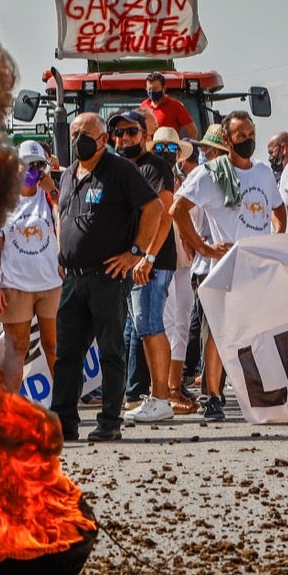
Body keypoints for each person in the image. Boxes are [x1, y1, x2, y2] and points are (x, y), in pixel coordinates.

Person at [50, 112, 163, 443]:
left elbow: (154, 208)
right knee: (67, 353)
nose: (77, 140)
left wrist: (136, 252)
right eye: (74, 133)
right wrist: (62, 252)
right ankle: (64, 421)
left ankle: (110, 421)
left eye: (85, 134)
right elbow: (63, 213)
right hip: (73, 278)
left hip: (107, 276)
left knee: (111, 351)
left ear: (103, 140)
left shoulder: (120, 170)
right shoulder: (69, 174)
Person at [171, 113, 286, 420]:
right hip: (217, 269)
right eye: (241, 135)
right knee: (216, 333)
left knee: (255, 331)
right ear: (227, 139)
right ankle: (212, 395)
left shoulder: (263, 172)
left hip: (254, 268)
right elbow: (178, 209)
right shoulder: (210, 174)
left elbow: (278, 210)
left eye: (251, 134)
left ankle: (258, 391)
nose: (248, 140)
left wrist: (275, 242)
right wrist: (203, 247)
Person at [103, 111, 180, 425]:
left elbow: (165, 214)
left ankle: (161, 398)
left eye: (131, 132)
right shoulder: (122, 168)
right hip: (132, 262)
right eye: (118, 133)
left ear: (146, 134)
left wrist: (147, 257)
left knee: (149, 325)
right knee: (136, 328)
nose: (124, 138)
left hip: (151, 262)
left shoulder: (155, 166)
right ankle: (145, 395)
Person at [0, 140, 62, 394]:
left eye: (38, 165)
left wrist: (53, 193)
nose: (33, 170)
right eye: (27, 165)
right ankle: (11, 408)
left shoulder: (50, 196)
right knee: (16, 349)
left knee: (54, 347)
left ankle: (65, 407)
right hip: (15, 286)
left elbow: (63, 224)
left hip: (51, 284)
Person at [149, 126, 200, 412]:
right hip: (160, 256)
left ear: (179, 153)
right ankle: (161, 388)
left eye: (171, 148)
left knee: (181, 322)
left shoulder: (186, 181)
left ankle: (174, 386)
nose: (166, 153)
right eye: (160, 148)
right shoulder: (149, 178)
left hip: (183, 258)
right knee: (165, 322)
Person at [138, 71, 196, 139]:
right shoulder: (143, 106)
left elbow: (193, 130)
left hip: (168, 145)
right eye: (149, 89)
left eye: (155, 89)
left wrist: (185, 145)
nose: (152, 92)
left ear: (164, 89)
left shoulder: (175, 106)